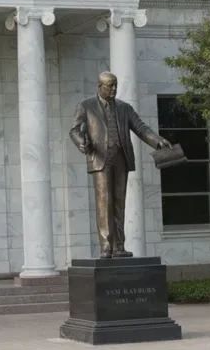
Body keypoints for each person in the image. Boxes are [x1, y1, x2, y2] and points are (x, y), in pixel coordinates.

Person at [68, 72, 173, 258]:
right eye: (110, 85)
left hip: (121, 159)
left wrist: (158, 141)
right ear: (100, 86)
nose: (114, 89)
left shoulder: (125, 108)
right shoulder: (86, 106)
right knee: (104, 203)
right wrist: (81, 143)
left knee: (119, 204)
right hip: (100, 158)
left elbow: (141, 128)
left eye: (115, 85)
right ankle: (106, 246)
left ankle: (119, 246)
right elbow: (74, 130)